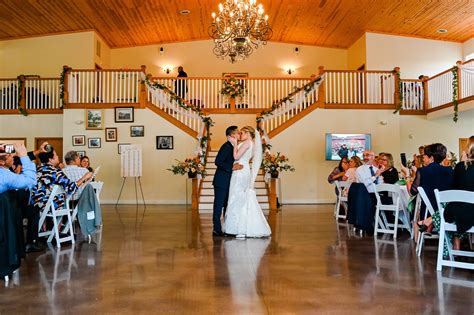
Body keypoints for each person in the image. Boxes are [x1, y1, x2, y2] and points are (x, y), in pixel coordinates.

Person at [30, 147, 93, 244]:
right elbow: (71, 188)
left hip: (35, 204)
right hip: (50, 205)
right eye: (55, 155)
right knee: (66, 199)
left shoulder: (37, 169)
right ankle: (58, 232)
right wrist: (85, 177)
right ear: (50, 160)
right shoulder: (55, 172)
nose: (58, 156)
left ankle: (49, 231)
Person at [223, 126, 271, 238]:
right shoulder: (252, 144)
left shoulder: (247, 142)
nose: (240, 135)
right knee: (240, 197)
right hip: (244, 170)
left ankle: (237, 228)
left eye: (242, 133)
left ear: (248, 133)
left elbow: (236, 156)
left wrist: (235, 144)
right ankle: (240, 226)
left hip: (240, 172)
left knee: (236, 196)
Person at [212, 126, 243, 236]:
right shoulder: (226, 146)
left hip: (229, 181)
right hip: (221, 181)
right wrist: (232, 167)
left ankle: (227, 227)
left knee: (227, 205)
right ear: (232, 135)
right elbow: (217, 161)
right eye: (237, 133)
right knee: (219, 205)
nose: (239, 134)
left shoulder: (233, 146)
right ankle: (217, 229)